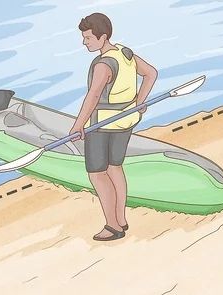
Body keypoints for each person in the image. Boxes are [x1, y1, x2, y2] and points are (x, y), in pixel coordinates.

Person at [69, 13, 157, 241]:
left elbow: (94, 95)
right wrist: (139, 102)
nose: (84, 42)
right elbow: (151, 73)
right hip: (125, 121)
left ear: (102, 36)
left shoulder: (103, 64)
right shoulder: (125, 53)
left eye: (88, 38)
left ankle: (112, 226)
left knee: (97, 174)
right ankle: (121, 218)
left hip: (101, 125)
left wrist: (78, 125)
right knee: (115, 168)